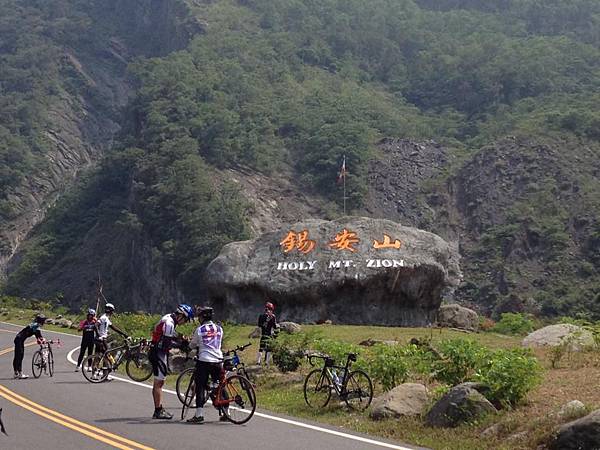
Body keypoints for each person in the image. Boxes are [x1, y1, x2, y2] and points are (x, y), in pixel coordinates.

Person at [149, 304, 194, 420]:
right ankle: (158, 411)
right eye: (186, 320)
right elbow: (166, 343)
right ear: (181, 316)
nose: (185, 323)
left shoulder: (169, 318)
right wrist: (181, 346)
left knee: (159, 382)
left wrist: (181, 338)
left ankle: (158, 409)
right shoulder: (169, 323)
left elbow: (170, 335)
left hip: (157, 351)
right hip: (158, 353)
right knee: (159, 382)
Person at [186, 306, 226, 424]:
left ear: (203, 317)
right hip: (218, 360)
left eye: (199, 316)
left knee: (200, 386)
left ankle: (199, 415)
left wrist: (187, 347)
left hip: (204, 360)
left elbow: (192, 345)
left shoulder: (200, 330)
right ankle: (226, 412)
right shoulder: (219, 328)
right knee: (220, 385)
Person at [13, 314, 46, 379]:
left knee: (17, 356)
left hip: (19, 340)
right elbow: (39, 336)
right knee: (19, 356)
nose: (44, 322)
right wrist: (43, 340)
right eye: (43, 321)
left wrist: (41, 341)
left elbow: (38, 336)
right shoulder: (36, 326)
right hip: (19, 340)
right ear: (41, 321)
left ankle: (16, 373)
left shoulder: (34, 325)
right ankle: (19, 373)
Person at [257, 301, 278, 366]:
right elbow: (274, 326)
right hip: (269, 334)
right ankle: (266, 362)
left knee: (261, 348)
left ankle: (258, 361)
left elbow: (259, 325)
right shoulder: (273, 316)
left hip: (263, 334)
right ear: (271, 309)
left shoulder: (261, 316)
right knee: (269, 349)